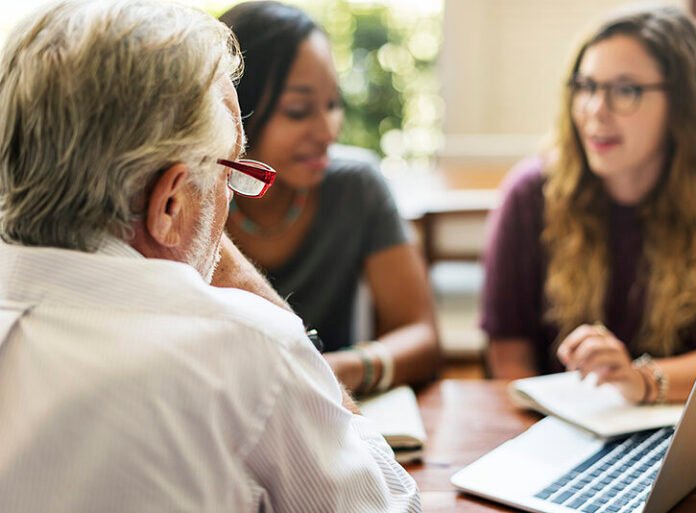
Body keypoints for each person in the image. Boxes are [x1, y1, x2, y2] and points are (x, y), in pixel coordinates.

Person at [0, 1, 420, 512]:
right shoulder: (249, 352)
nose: (230, 195)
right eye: (229, 172)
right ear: (171, 201)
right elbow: (391, 505)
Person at [481, 6, 696, 405]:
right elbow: (508, 352)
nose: (595, 110)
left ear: (684, 103)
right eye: (585, 86)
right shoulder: (529, 195)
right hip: (556, 428)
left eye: (625, 90)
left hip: (673, 425)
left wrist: (643, 380)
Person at [218, 2, 440, 397]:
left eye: (333, 104)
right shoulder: (194, 199)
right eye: (299, 110)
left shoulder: (357, 186)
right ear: (235, 107)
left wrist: (344, 368)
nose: (328, 131)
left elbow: (421, 336)